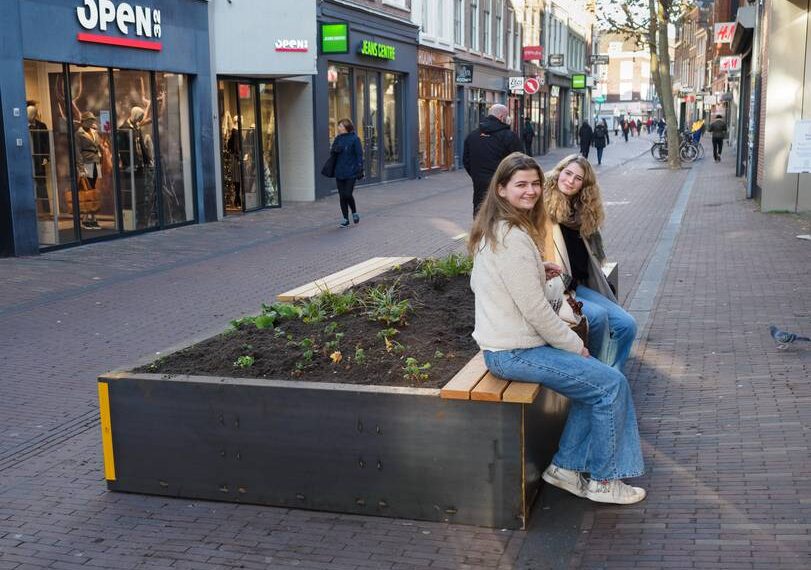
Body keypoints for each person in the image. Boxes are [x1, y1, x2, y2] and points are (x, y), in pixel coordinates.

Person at [467, 152, 646, 505]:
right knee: (611, 385)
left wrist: (539, 270)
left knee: (597, 383)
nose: (531, 191)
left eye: (535, 183)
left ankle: (565, 468)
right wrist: (572, 345)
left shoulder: (501, 228)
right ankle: (605, 480)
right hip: (514, 351)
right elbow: (535, 310)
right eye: (521, 185)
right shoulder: (513, 237)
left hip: (513, 345)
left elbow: (500, 286)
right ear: (501, 189)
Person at [543, 154, 637, 373]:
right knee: (596, 317)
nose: (570, 181)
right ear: (559, 172)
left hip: (578, 286)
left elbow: (592, 256)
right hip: (556, 288)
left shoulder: (580, 213)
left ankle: (611, 374)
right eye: (568, 173)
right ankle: (598, 378)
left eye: (578, 179)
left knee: (627, 324)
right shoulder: (543, 209)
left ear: (584, 186)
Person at [463, 103, 523, 215]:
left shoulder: (472, 136)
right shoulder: (509, 136)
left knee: (481, 217)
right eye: (507, 116)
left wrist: (477, 175)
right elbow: (521, 163)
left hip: (480, 188)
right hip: (504, 188)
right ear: (501, 117)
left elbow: (466, 161)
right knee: (502, 219)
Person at [331, 118, 363, 228]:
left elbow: (359, 155)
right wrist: (335, 150)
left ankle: (354, 212)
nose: (338, 127)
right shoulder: (338, 139)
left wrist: (359, 168)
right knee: (342, 196)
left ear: (345, 127)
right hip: (339, 171)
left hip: (351, 171)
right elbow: (332, 152)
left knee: (347, 194)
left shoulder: (355, 139)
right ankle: (345, 218)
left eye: (340, 126)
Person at [75, 111, 103, 230]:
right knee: (88, 189)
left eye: (92, 120)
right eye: (89, 120)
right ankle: (87, 217)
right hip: (87, 162)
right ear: (83, 121)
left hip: (96, 162)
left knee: (94, 190)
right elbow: (78, 152)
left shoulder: (94, 132)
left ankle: (92, 216)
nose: (91, 122)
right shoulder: (79, 134)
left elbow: (98, 146)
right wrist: (81, 168)